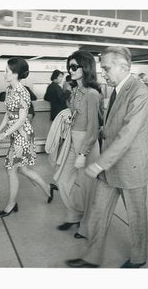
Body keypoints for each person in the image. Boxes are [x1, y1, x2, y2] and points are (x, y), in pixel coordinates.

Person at [66, 46, 148, 268]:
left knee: (136, 217)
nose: (102, 72)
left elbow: (127, 134)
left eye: (106, 68)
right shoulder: (115, 90)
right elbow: (113, 126)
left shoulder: (139, 92)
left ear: (124, 67)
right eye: (102, 68)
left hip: (131, 166)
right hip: (109, 166)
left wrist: (98, 164)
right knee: (97, 211)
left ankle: (139, 258)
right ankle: (92, 257)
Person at [0, 57, 58, 217]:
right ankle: (48, 188)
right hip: (15, 133)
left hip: (23, 134)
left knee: (10, 169)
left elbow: (22, 119)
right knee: (23, 169)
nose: (4, 73)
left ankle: (11, 204)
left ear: (15, 74)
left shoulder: (23, 92)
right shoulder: (9, 90)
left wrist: (4, 134)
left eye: (7, 70)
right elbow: (9, 114)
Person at [55, 50, 101, 239]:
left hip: (87, 145)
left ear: (86, 68)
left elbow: (93, 127)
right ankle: (75, 214)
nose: (70, 70)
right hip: (73, 141)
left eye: (74, 67)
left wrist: (83, 153)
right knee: (62, 180)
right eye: (69, 67)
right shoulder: (75, 91)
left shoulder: (92, 94)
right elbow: (76, 116)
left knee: (88, 189)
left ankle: (87, 225)